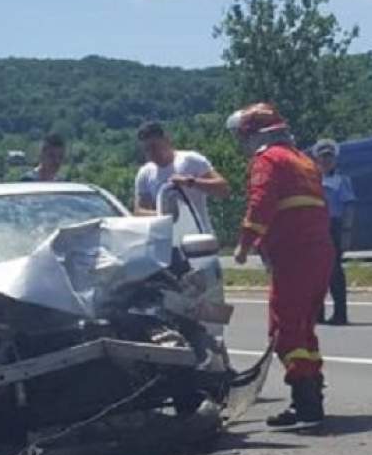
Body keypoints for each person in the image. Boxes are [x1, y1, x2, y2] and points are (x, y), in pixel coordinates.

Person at [226, 103, 334, 427]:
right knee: (304, 330)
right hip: (320, 253)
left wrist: (244, 245)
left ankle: (306, 403)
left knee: (285, 331)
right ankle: (310, 398)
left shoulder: (268, 159)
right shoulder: (304, 160)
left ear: (253, 135)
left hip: (294, 255)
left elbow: (261, 203)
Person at [133, 120, 229, 233]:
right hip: (167, 241)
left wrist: (190, 182)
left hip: (199, 235)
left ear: (166, 140)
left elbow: (223, 189)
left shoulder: (191, 160)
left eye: (154, 147)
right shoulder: (145, 173)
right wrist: (163, 215)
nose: (152, 153)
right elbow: (139, 211)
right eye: (147, 150)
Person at [312, 139, 355, 326]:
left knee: (334, 271)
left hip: (333, 226)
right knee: (314, 271)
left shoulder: (342, 180)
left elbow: (349, 206)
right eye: (323, 157)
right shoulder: (312, 180)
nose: (326, 160)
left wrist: (347, 231)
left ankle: (340, 313)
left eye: (330, 157)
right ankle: (317, 312)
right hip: (314, 227)